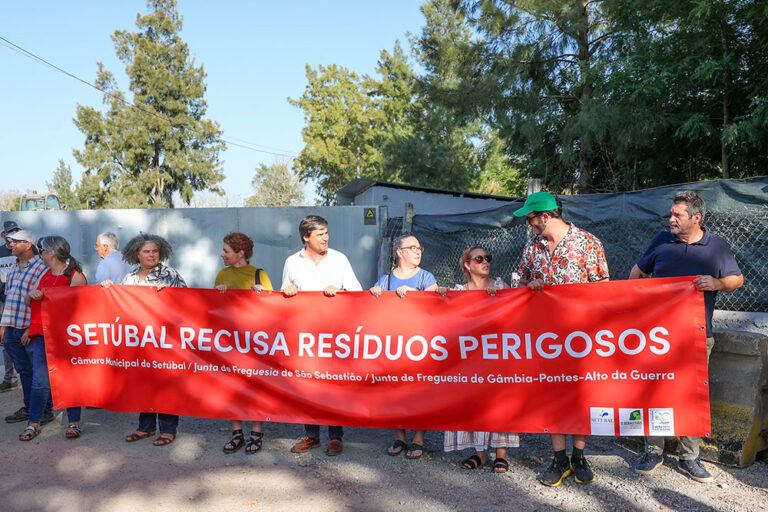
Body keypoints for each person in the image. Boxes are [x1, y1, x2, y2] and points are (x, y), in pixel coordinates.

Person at [630, 191, 743, 483]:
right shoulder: (661, 241)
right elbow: (637, 274)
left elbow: (736, 279)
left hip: (695, 337)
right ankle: (652, 450)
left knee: (692, 396)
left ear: (696, 217)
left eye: (677, 215)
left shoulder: (716, 246)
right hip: (656, 337)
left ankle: (689, 457)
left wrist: (717, 282)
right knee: (653, 391)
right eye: (671, 214)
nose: (671, 219)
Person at [513, 191, 609, 487]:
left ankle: (579, 456)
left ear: (545, 216)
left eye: (530, 218)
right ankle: (559, 459)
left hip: (581, 335)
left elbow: (604, 286)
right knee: (553, 394)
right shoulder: (533, 245)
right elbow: (521, 278)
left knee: (580, 395)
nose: (528, 224)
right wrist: (533, 284)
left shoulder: (588, 243)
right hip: (546, 335)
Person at [282, 215, 362, 456]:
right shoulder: (292, 262)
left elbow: (358, 292)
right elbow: (283, 296)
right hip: (305, 336)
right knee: (308, 384)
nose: (326, 237)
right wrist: (289, 290)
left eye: (327, 232)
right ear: (306, 237)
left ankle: (336, 437)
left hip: (335, 334)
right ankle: (312, 435)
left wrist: (340, 291)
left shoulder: (339, 259)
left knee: (332, 385)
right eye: (320, 234)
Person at [102, 233, 187, 446]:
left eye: (155, 251)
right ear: (136, 255)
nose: (151, 255)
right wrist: (109, 289)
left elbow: (188, 303)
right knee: (143, 384)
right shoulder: (129, 278)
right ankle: (146, 428)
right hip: (138, 342)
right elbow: (118, 305)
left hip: (164, 341)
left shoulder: (170, 274)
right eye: (146, 251)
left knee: (165, 385)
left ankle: (168, 430)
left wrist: (171, 295)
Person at [441, 246, 519, 473]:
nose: (485, 262)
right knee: (474, 402)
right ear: (467, 264)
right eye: (479, 259)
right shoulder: (459, 291)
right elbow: (449, 322)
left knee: (500, 401)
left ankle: (501, 453)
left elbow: (517, 317)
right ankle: (479, 453)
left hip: (497, 355)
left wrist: (502, 299)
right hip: (471, 358)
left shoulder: (499, 286)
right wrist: (444, 299)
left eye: (488, 258)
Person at [371, 233, 438, 460]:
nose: (418, 251)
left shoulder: (426, 277)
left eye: (420, 247)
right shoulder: (386, 279)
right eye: (412, 247)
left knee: (421, 392)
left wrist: (416, 296)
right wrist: (374, 294)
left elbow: (436, 306)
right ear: (399, 252)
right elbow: (371, 308)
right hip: (394, 345)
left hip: (420, 344)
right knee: (394, 390)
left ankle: (418, 439)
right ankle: (400, 436)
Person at [19, 236, 87, 441]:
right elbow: (29, 302)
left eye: (42, 251)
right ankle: (34, 423)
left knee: (70, 380)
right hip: (43, 336)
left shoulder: (75, 277)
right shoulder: (45, 275)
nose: (41, 255)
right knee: (40, 382)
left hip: (68, 337)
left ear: (52, 253)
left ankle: (74, 423)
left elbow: (85, 308)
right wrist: (32, 294)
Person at [215, 232, 273, 455]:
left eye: (226, 251)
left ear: (240, 253)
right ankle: (237, 434)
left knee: (254, 388)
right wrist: (219, 295)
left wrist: (263, 295)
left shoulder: (259, 274)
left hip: (254, 344)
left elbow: (273, 307)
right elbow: (215, 310)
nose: (222, 255)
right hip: (230, 343)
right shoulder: (222, 274)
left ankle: (256, 434)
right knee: (232, 388)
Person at [0, 230, 50, 424]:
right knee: (24, 371)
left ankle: (44, 410)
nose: (11, 245)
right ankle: (31, 408)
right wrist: (3, 326)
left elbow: (44, 301)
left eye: (16, 242)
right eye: (11, 242)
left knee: (39, 373)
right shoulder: (13, 268)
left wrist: (32, 327)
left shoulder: (41, 267)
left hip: (30, 329)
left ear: (28, 245)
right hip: (12, 328)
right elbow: (10, 300)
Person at [0, 221, 21, 393]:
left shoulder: (28, 250)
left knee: (25, 337)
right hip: (4, 301)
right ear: (3, 235)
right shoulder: (0, 252)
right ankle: (10, 378)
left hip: (22, 300)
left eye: (16, 231)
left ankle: (28, 374)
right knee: (6, 340)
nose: (13, 235)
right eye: (10, 233)